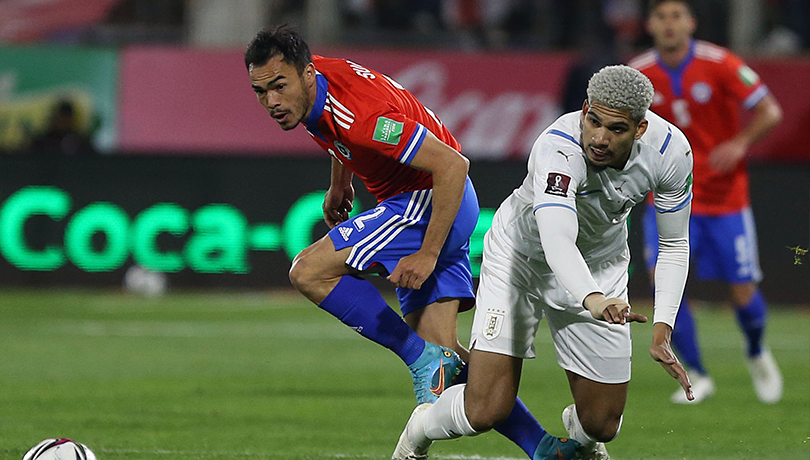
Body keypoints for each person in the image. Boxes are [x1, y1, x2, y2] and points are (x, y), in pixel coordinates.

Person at [245, 27, 579, 460]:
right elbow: (335, 127)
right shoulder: (316, 81)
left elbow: (453, 165)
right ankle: (545, 448)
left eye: (278, 87)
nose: (271, 101)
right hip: (435, 203)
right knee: (448, 359)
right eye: (260, 90)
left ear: (306, 74)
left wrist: (428, 252)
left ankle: (418, 357)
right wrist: (340, 181)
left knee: (308, 270)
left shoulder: (363, 118)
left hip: (430, 203)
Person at [393, 65, 694, 460]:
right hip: (520, 261)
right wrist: (593, 299)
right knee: (486, 410)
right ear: (584, 109)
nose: (599, 138)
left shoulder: (672, 153)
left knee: (603, 424)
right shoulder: (558, 147)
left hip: (599, 268)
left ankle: (580, 432)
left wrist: (662, 327)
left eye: (616, 129)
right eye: (594, 121)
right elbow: (557, 238)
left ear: (639, 129)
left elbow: (673, 243)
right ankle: (419, 429)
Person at [629, 0, 784, 404]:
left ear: (691, 23)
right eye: (661, 17)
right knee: (667, 286)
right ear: (650, 24)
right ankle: (697, 372)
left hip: (724, 197)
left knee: (744, 292)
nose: (669, 24)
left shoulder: (721, 63)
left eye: (676, 16)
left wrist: (739, 143)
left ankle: (756, 350)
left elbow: (770, 111)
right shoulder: (638, 72)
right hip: (667, 196)